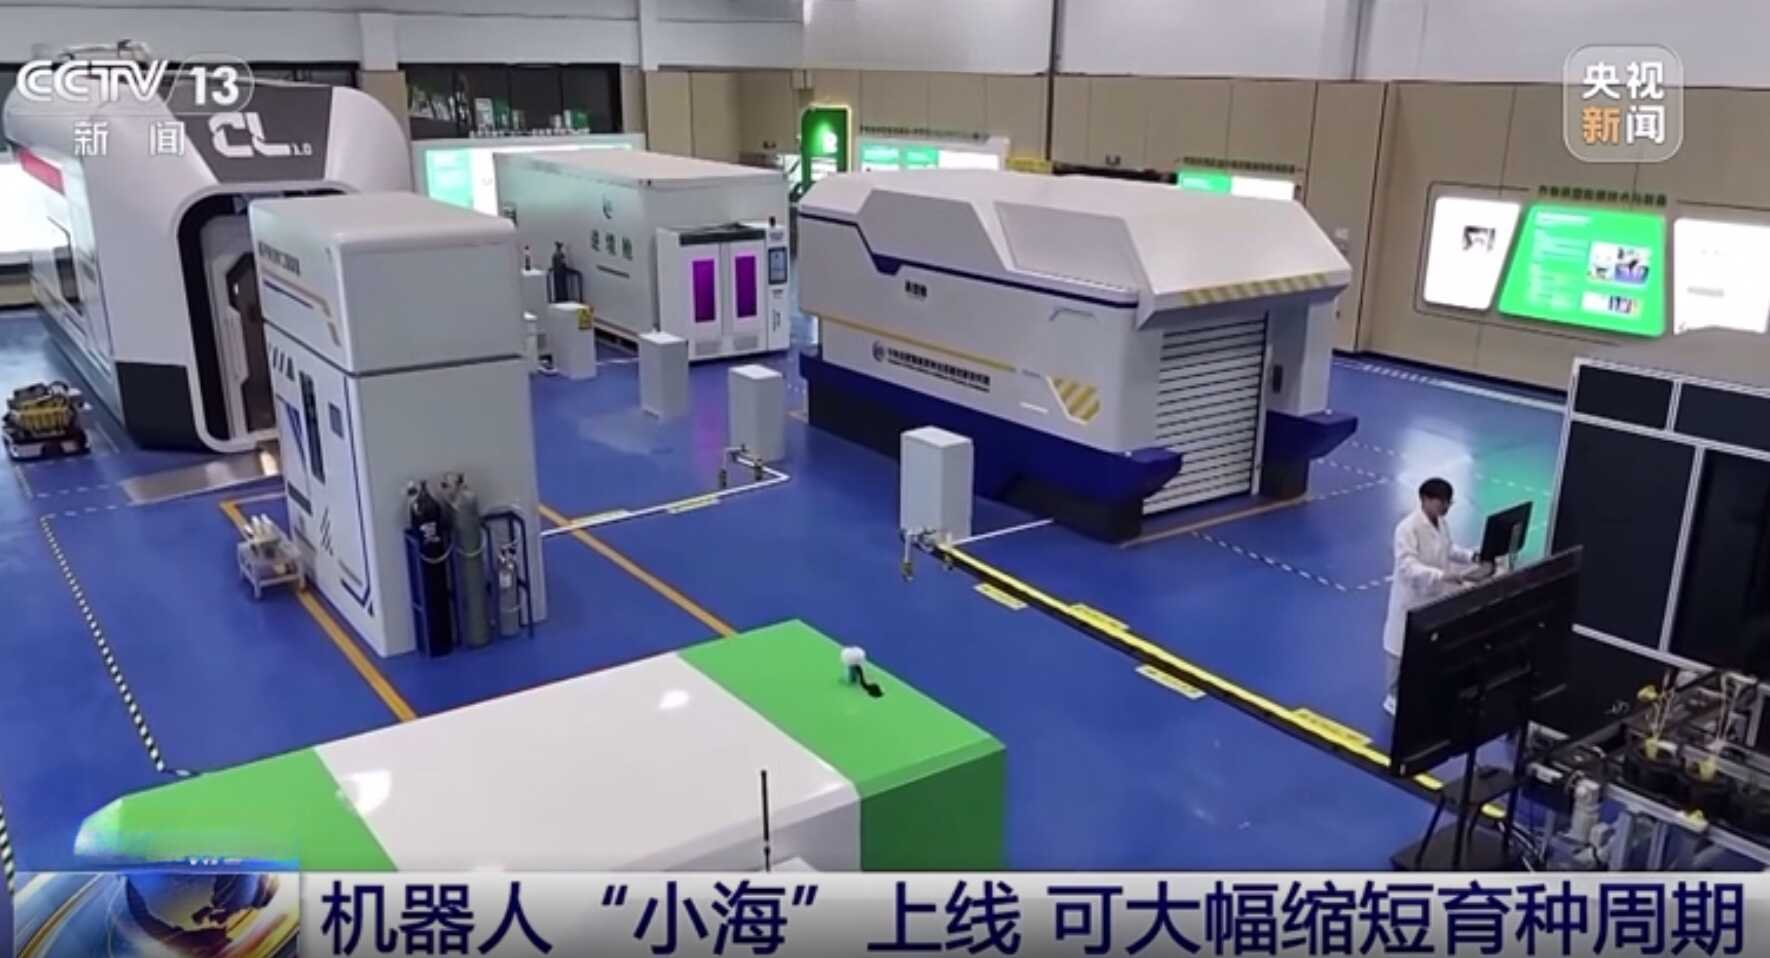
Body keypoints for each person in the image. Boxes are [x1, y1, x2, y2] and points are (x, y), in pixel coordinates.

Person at [1382, 478, 1491, 716]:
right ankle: (1393, 696)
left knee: (1425, 648)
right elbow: (1408, 566)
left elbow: (1448, 548)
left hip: (1433, 597)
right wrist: (1441, 575)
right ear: (1425, 499)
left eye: (1449, 503)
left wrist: (1472, 556)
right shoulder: (1407, 529)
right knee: (1400, 649)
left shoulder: (1441, 523)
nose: (1446, 507)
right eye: (1442, 502)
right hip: (1411, 598)